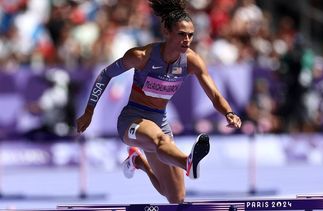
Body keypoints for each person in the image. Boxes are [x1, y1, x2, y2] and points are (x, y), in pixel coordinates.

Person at [76, 0, 242, 204]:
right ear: (166, 31)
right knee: (160, 140)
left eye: (190, 35)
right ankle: (187, 162)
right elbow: (105, 75)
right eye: (181, 34)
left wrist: (229, 113)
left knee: (176, 197)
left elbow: (215, 94)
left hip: (160, 121)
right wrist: (89, 112)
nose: (187, 40)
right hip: (132, 120)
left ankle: (139, 161)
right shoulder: (141, 56)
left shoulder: (192, 61)